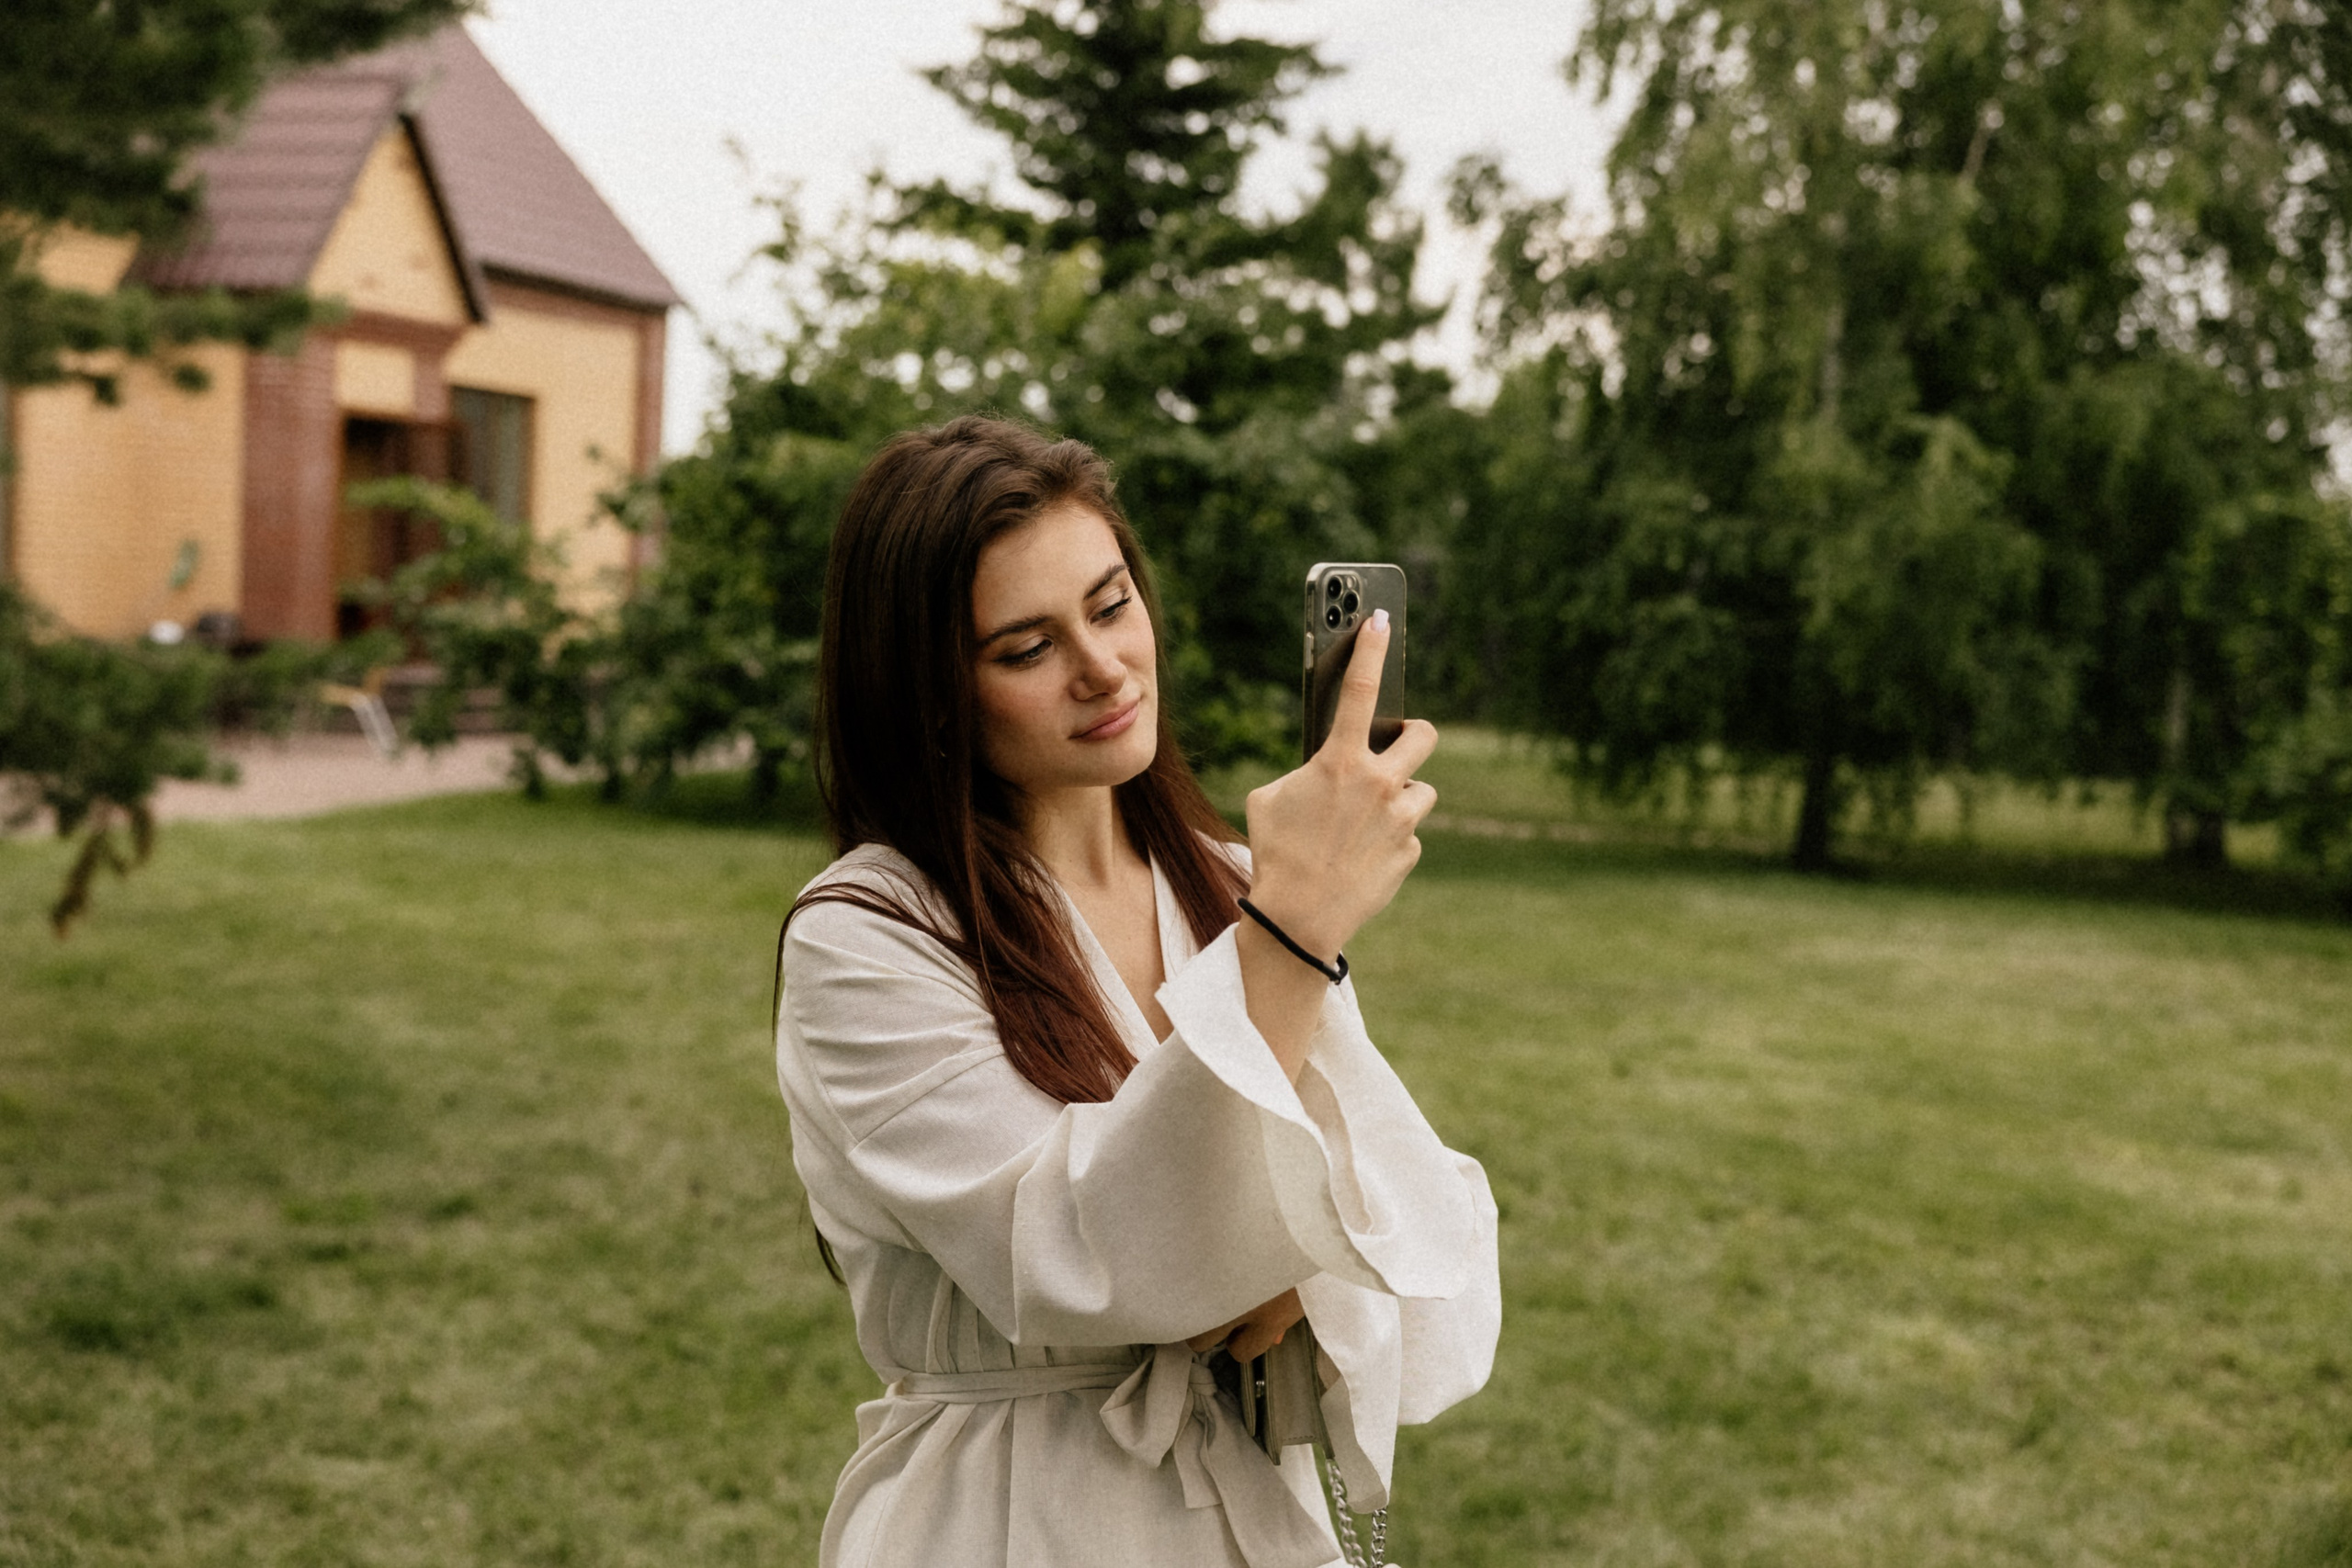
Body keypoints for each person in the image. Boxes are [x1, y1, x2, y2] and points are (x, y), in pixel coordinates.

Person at [773, 415, 1499, 1567]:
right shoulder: (867, 937)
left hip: (1251, 1513)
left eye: (1110, 606)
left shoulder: (1225, 886)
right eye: (1025, 648)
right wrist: (1297, 933)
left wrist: (1309, 1277)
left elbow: (1427, 1213)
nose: (1102, 667)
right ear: (930, 693)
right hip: (1012, 1516)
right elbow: (1074, 1251)